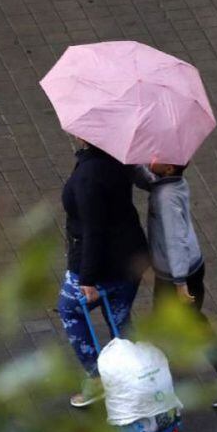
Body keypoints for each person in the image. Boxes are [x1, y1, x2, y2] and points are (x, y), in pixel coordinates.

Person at [135, 163, 217, 408]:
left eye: (157, 157)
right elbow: (146, 181)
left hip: (176, 275)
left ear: (167, 168)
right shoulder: (173, 183)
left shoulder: (166, 198)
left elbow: (175, 241)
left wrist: (179, 282)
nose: (151, 157)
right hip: (190, 266)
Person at [57, 140, 149, 408]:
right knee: (119, 320)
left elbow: (93, 231)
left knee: (70, 310)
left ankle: (97, 378)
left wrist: (87, 278)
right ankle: (138, 378)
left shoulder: (89, 175)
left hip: (100, 266)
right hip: (130, 261)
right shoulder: (119, 157)